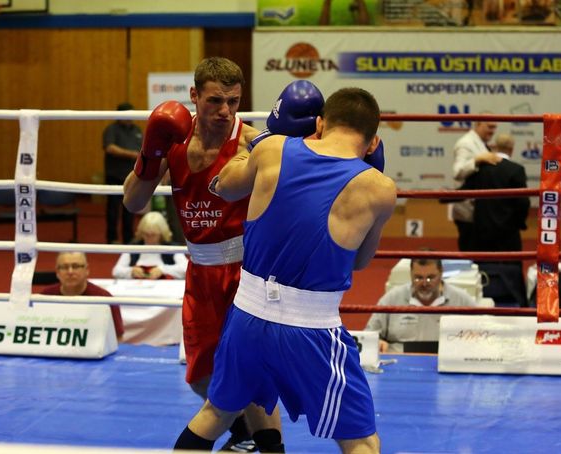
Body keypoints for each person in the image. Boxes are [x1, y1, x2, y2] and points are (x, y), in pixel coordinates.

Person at [172, 87, 395, 453]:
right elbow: (358, 261)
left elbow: (223, 187)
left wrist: (257, 142)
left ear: (320, 123)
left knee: (217, 412)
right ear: (373, 144)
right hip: (312, 328)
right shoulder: (379, 188)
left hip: (247, 316)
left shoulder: (272, 149)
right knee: (361, 440)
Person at [123, 58, 326, 452]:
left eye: (233, 101)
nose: (225, 111)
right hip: (200, 273)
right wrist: (150, 153)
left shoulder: (253, 142)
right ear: (194, 96)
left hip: (247, 272)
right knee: (201, 377)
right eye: (215, 101)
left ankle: (268, 446)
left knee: (254, 375)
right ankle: (244, 434)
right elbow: (133, 202)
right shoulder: (172, 141)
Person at [365, 257, 477, 353]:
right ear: (410, 273)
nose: (424, 283)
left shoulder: (462, 300)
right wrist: (377, 342)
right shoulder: (391, 299)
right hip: (399, 364)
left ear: (441, 272)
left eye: (431, 278)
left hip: (449, 364)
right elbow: (367, 336)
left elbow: (483, 335)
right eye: (418, 278)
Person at [461, 133, 530, 252]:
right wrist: (520, 223)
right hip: (508, 229)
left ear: (495, 147)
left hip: (482, 229)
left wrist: (444, 195)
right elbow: (523, 202)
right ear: (511, 149)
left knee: (482, 266)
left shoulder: (482, 168)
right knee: (510, 266)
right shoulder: (516, 170)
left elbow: (465, 190)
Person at [41, 252, 124, 339]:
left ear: (87, 270)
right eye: (65, 267)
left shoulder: (104, 299)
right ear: (57, 272)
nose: (70, 272)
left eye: (76, 266)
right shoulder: (45, 296)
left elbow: (118, 338)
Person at [450, 118, 501, 251]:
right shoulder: (466, 144)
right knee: (470, 256)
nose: (492, 131)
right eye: (489, 126)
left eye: (494, 127)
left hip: (478, 212)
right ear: (478, 124)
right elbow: (457, 172)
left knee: (479, 255)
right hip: (468, 212)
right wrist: (476, 160)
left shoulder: (481, 143)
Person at [104, 102, 143, 244]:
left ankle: (128, 238)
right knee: (113, 209)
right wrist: (131, 154)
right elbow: (110, 148)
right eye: (128, 114)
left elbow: (143, 149)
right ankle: (112, 238)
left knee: (130, 208)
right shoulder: (112, 129)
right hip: (115, 174)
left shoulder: (137, 130)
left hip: (132, 176)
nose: (130, 117)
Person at [112, 211, 188, 280]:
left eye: (153, 235)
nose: (149, 238)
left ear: (161, 233)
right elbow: (116, 271)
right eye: (146, 234)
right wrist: (131, 271)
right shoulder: (134, 247)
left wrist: (163, 270)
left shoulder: (171, 248)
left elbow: (186, 268)